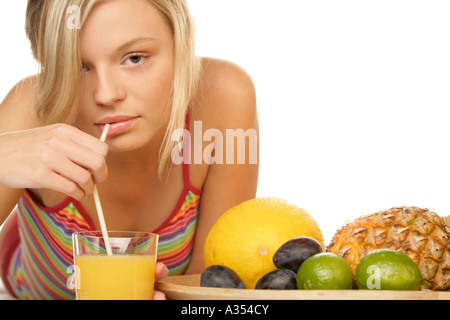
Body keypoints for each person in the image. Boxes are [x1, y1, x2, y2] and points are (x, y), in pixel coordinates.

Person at [0, 0, 258, 300]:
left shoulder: (224, 96)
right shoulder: (34, 107)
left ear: (181, 42)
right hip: (23, 261)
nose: (107, 94)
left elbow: (210, 289)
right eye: (77, 66)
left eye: (135, 58)